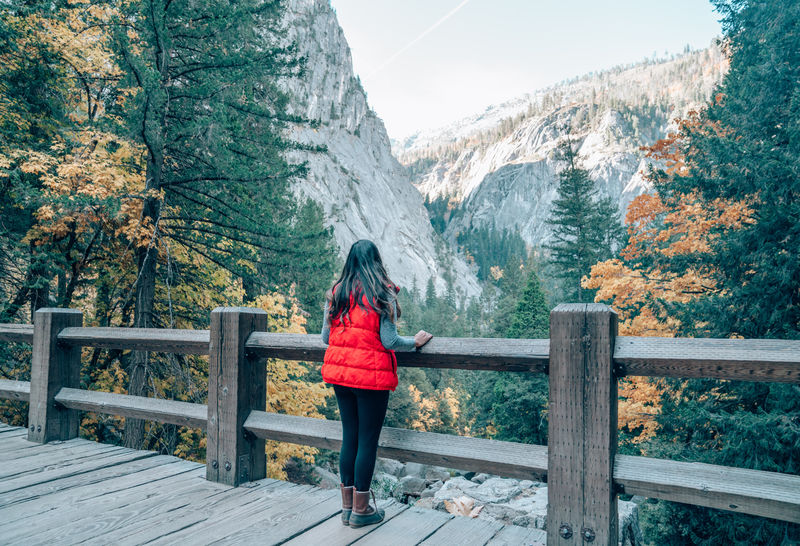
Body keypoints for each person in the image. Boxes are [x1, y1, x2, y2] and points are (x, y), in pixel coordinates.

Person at [321, 240, 433, 528]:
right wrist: (416, 342)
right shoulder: (382, 294)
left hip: (341, 375)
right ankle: (362, 510)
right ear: (376, 262)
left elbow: (325, 338)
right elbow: (390, 341)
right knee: (368, 441)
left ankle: (347, 509)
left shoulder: (337, 292)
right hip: (371, 377)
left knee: (351, 437)